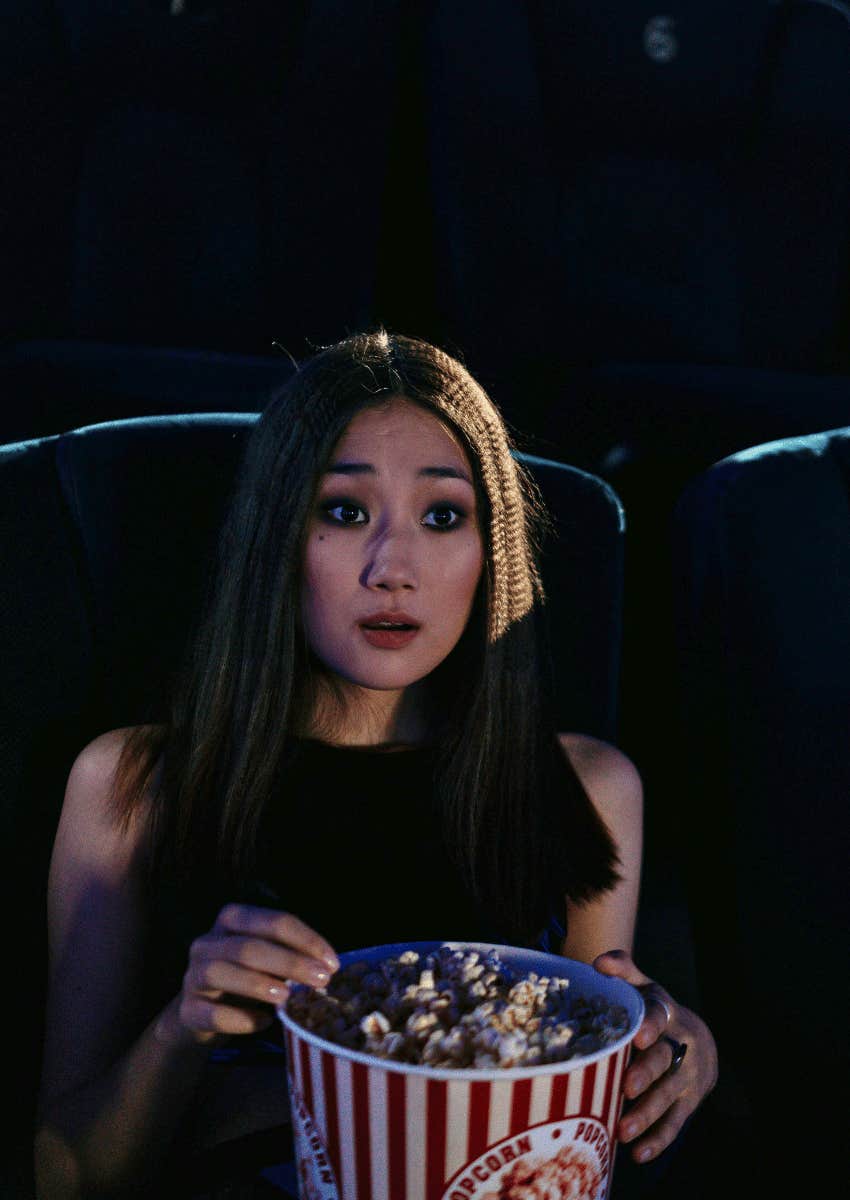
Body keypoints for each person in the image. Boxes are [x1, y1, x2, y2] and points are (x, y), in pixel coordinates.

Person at [34, 330, 717, 1198]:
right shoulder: (133, 782)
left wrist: (671, 1053)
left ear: (492, 551)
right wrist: (181, 1029)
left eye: (444, 517)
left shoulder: (587, 785)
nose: (394, 569)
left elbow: (590, 1115)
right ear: (278, 537)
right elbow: (64, 1175)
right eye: (345, 511)